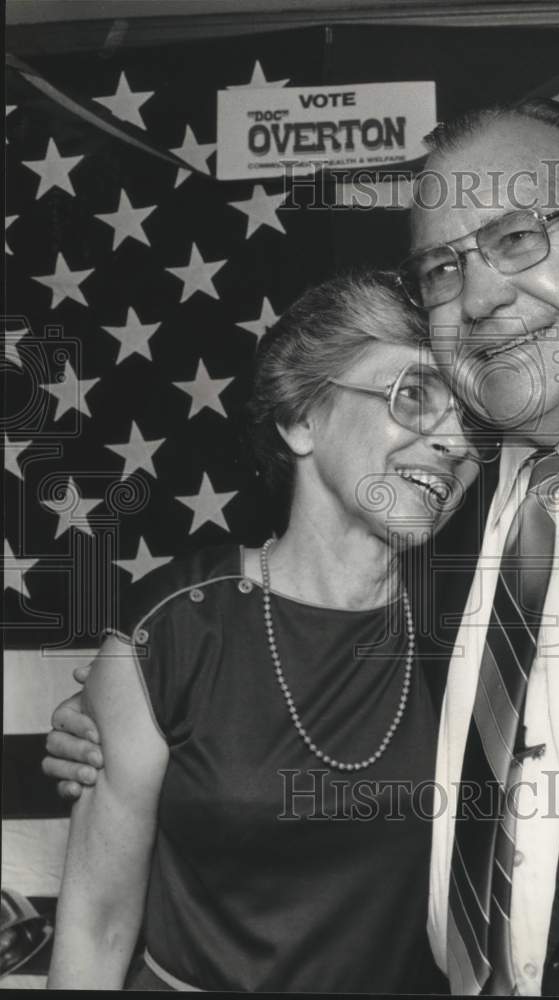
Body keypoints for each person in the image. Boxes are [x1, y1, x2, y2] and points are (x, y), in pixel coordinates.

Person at [45, 99, 559, 997]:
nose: (478, 295)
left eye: (517, 237)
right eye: (442, 267)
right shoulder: (453, 536)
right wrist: (124, 720)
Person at [44, 269, 479, 992]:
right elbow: (96, 925)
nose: (453, 441)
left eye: (469, 416)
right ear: (300, 420)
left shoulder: (475, 634)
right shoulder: (177, 624)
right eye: (412, 396)